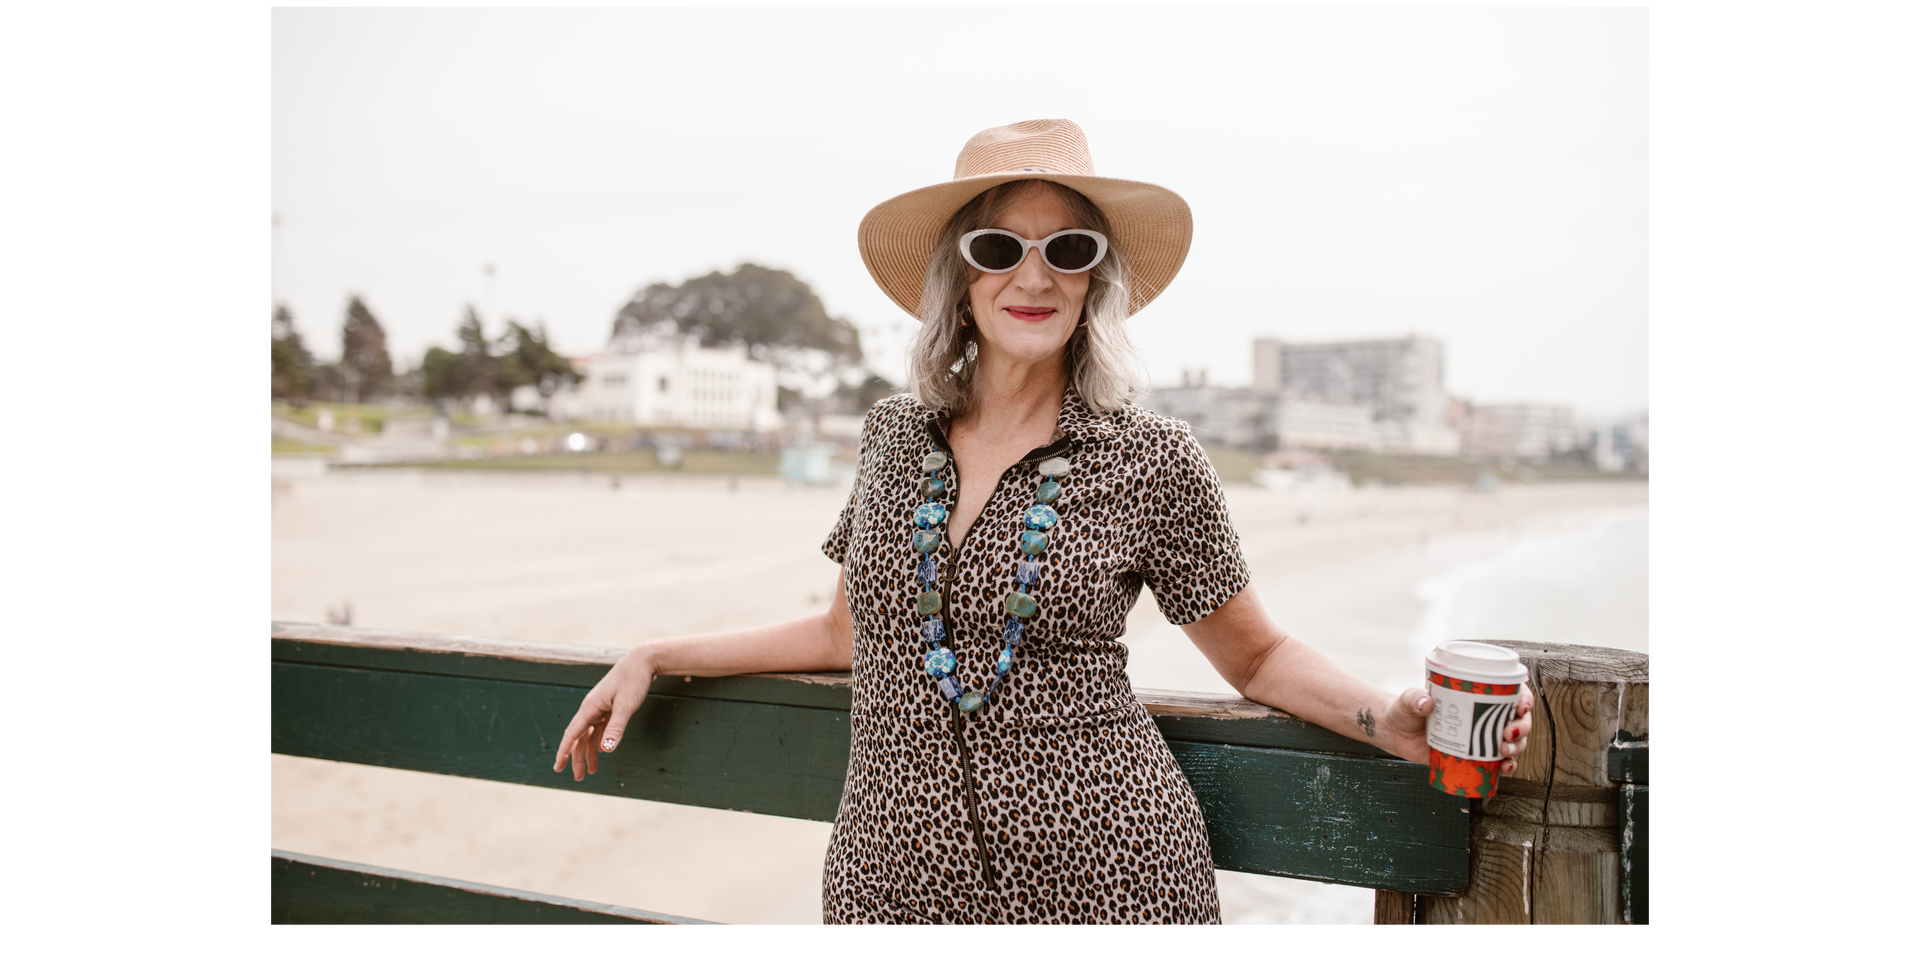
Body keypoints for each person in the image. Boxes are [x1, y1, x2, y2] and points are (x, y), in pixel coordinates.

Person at [554, 120, 1533, 927]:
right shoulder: (892, 438)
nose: (1035, 275)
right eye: (1000, 248)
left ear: (1094, 279)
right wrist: (657, 652)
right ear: (960, 276)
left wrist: (1390, 723)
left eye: (1068, 249)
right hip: (890, 889)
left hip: (1108, 882)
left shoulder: (1151, 458)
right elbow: (845, 635)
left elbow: (1259, 659)